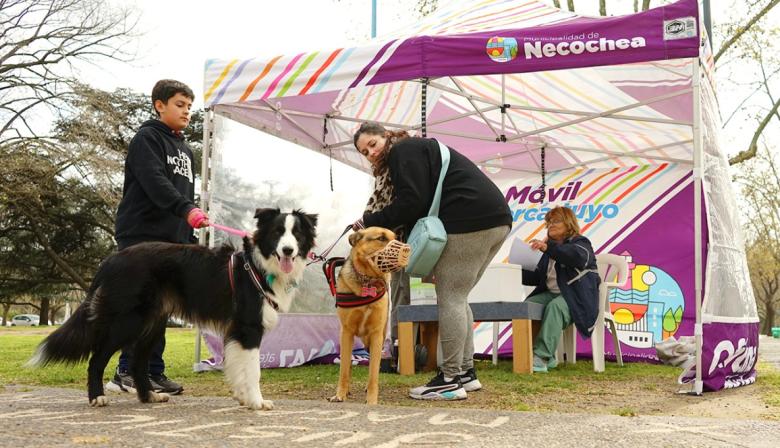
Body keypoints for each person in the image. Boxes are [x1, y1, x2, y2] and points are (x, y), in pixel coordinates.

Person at [352, 122, 512, 401]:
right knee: (459, 298)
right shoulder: (415, 150)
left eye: (373, 144)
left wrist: (370, 221)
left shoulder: (403, 150)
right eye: (365, 152)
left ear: (386, 136)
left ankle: (449, 380)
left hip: (470, 219)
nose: (371, 153)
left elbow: (412, 202)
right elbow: (419, 199)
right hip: (494, 220)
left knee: (449, 297)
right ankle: (465, 373)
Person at [107, 79, 210, 395]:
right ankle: (126, 371)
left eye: (190, 107)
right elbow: (154, 182)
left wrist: (187, 234)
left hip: (171, 238)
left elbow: (183, 190)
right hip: (141, 233)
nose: (187, 112)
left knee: (163, 305)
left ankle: (153, 370)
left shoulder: (185, 150)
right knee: (141, 304)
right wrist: (186, 208)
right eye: (180, 105)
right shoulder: (146, 139)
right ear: (159, 105)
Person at [523, 206, 600, 373]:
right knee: (526, 305)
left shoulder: (581, 243)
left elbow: (576, 257)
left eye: (556, 221)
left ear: (569, 224)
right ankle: (533, 355)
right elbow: (537, 278)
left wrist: (547, 248)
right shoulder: (547, 250)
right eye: (548, 222)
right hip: (551, 294)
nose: (550, 225)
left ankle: (541, 356)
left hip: (577, 297)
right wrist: (517, 269)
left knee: (556, 307)